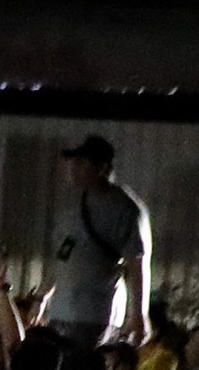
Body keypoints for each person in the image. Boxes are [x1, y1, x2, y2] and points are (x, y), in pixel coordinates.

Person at [41, 136, 151, 344]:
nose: (73, 169)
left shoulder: (126, 209)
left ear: (101, 168)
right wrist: (42, 296)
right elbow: (61, 255)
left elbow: (137, 264)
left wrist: (138, 314)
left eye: (81, 163)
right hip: (61, 310)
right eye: (73, 163)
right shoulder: (74, 204)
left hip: (97, 314)